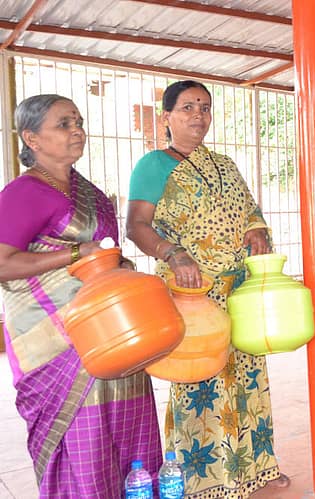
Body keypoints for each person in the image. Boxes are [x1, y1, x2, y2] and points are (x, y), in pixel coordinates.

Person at [126, 80, 288, 496]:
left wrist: (256, 231)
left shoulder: (224, 164)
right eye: (186, 107)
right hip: (191, 291)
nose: (198, 115)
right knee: (198, 381)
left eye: (204, 107)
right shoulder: (154, 165)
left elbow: (251, 210)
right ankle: (202, 481)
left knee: (248, 381)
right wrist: (172, 253)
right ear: (166, 116)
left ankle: (257, 468)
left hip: (236, 291)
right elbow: (136, 226)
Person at [0, 94, 161, 496]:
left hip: (114, 331)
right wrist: (76, 253)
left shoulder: (89, 192)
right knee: (81, 441)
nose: (77, 131)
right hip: (57, 344)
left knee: (129, 430)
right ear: (31, 138)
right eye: (64, 124)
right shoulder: (22, 193)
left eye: (79, 122)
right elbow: (2, 263)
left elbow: (106, 251)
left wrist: (118, 268)